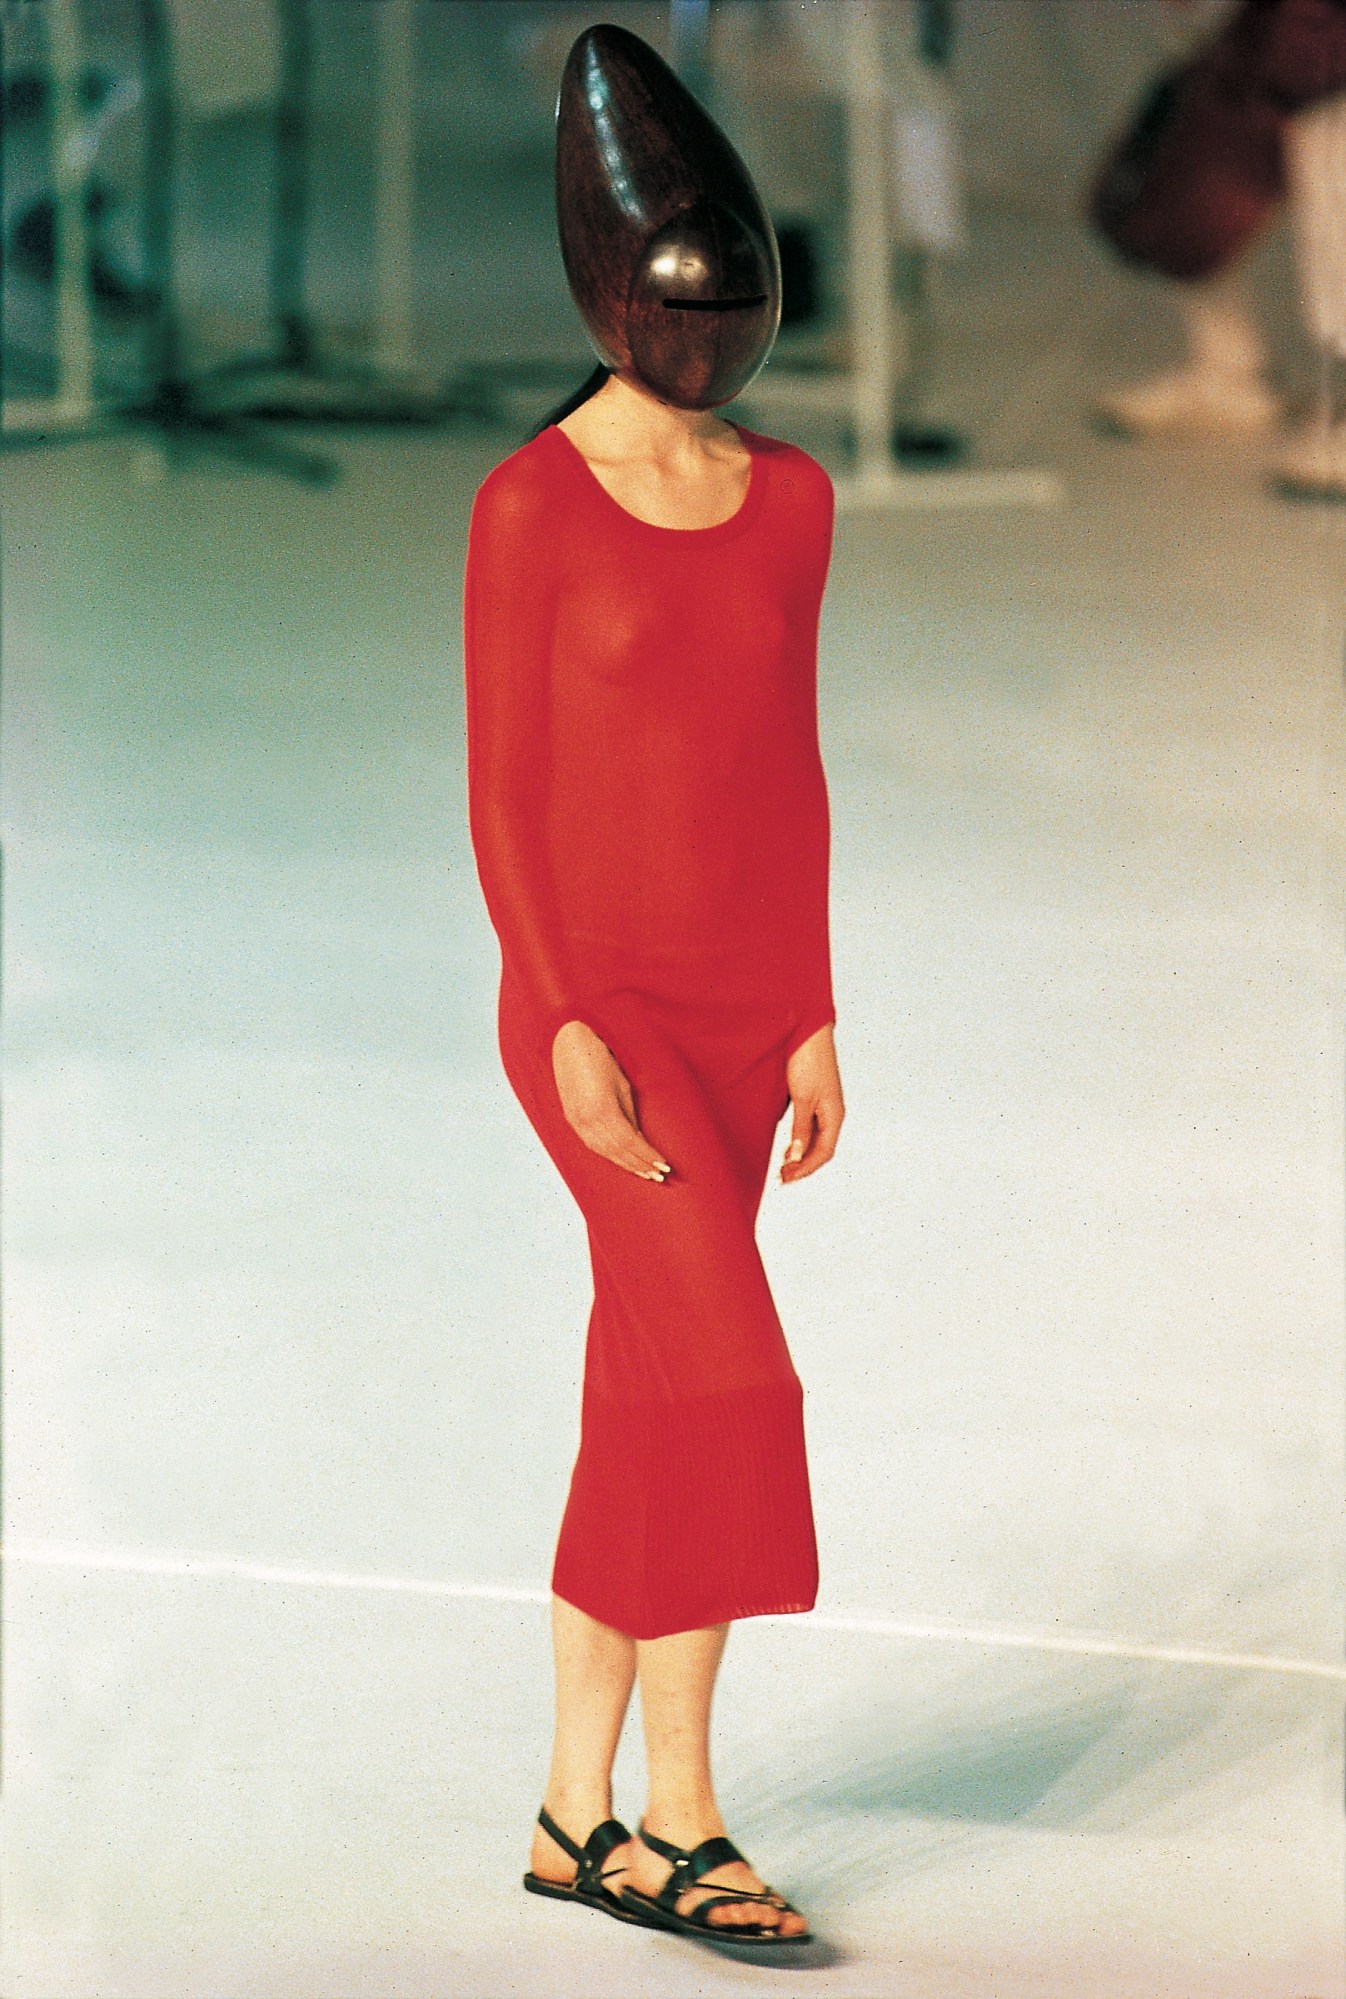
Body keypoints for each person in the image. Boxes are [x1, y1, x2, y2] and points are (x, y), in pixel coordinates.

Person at [462, 24, 843, 1951]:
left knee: (641, 1405)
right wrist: (564, 1020)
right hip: (593, 1026)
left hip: (732, 1010)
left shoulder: (787, 503)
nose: (711, 338)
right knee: (725, 1380)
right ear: (613, 298)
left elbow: (788, 771)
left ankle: (569, 1814)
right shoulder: (533, 504)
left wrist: (815, 1007)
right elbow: (504, 801)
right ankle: (685, 1818)